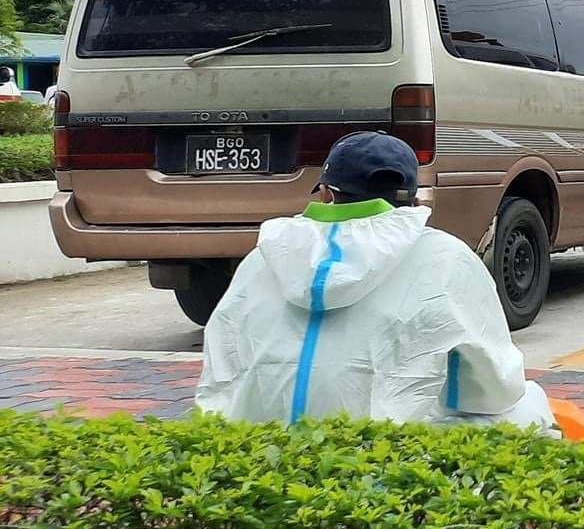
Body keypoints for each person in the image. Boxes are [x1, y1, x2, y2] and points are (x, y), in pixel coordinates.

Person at [196, 131, 558, 432]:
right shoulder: (446, 256)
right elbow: (492, 389)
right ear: (412, 199)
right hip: (384, 456)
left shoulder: (264, 256)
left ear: (326, 194)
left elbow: (219, 372)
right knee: (527, 404)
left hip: (261, 448)